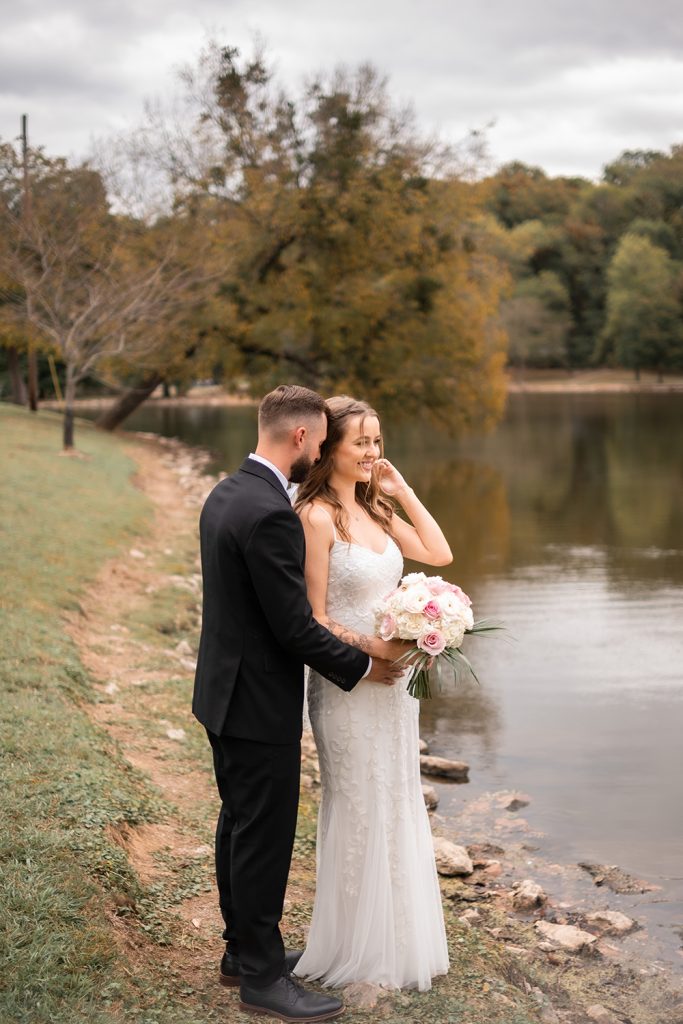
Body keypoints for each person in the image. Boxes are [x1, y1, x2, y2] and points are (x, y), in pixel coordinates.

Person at [192, 384, 406, 1023]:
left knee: (239, 825)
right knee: (262, 837)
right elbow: (295, 628)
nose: (318, 451)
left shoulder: (228, 493)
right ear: (300, 439)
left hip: (222, 692)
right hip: (257, 702)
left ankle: (243, 952)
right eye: (318, 439)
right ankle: (260, 978)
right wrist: (366, 665)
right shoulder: (272, 513)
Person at [293, 395, 452, 992]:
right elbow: (310, 616)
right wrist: (372, 650)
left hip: (395, 690)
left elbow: (438, 553)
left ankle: (398, 941)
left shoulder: (379, 511)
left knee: (397, 796)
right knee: (358, 804)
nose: (371, 452)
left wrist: (401, 487)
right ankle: (353, 948)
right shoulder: (314, 517)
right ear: (328, 446)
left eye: (377, 441)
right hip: (348, 686)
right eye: (360, 441)